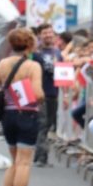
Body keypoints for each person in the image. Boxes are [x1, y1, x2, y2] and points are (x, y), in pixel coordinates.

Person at [0, 28, 44, 186]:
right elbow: (37, 94)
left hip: (8, 115)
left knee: (14, 161)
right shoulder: (32, 66)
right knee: (24, 162)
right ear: (29, 45)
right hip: (27, 114)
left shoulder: (3, 63)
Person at [32, 23, 63, 166]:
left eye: (50, 32)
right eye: (45, 33)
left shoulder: (57, 53)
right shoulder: (35, 53)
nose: (48, 35)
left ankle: (40, 155)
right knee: (42, 124)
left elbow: (64, 74)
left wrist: (66, 94)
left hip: (53, 93)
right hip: (39, 93)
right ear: (40, 35)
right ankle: (41, 157)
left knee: (48, 124)